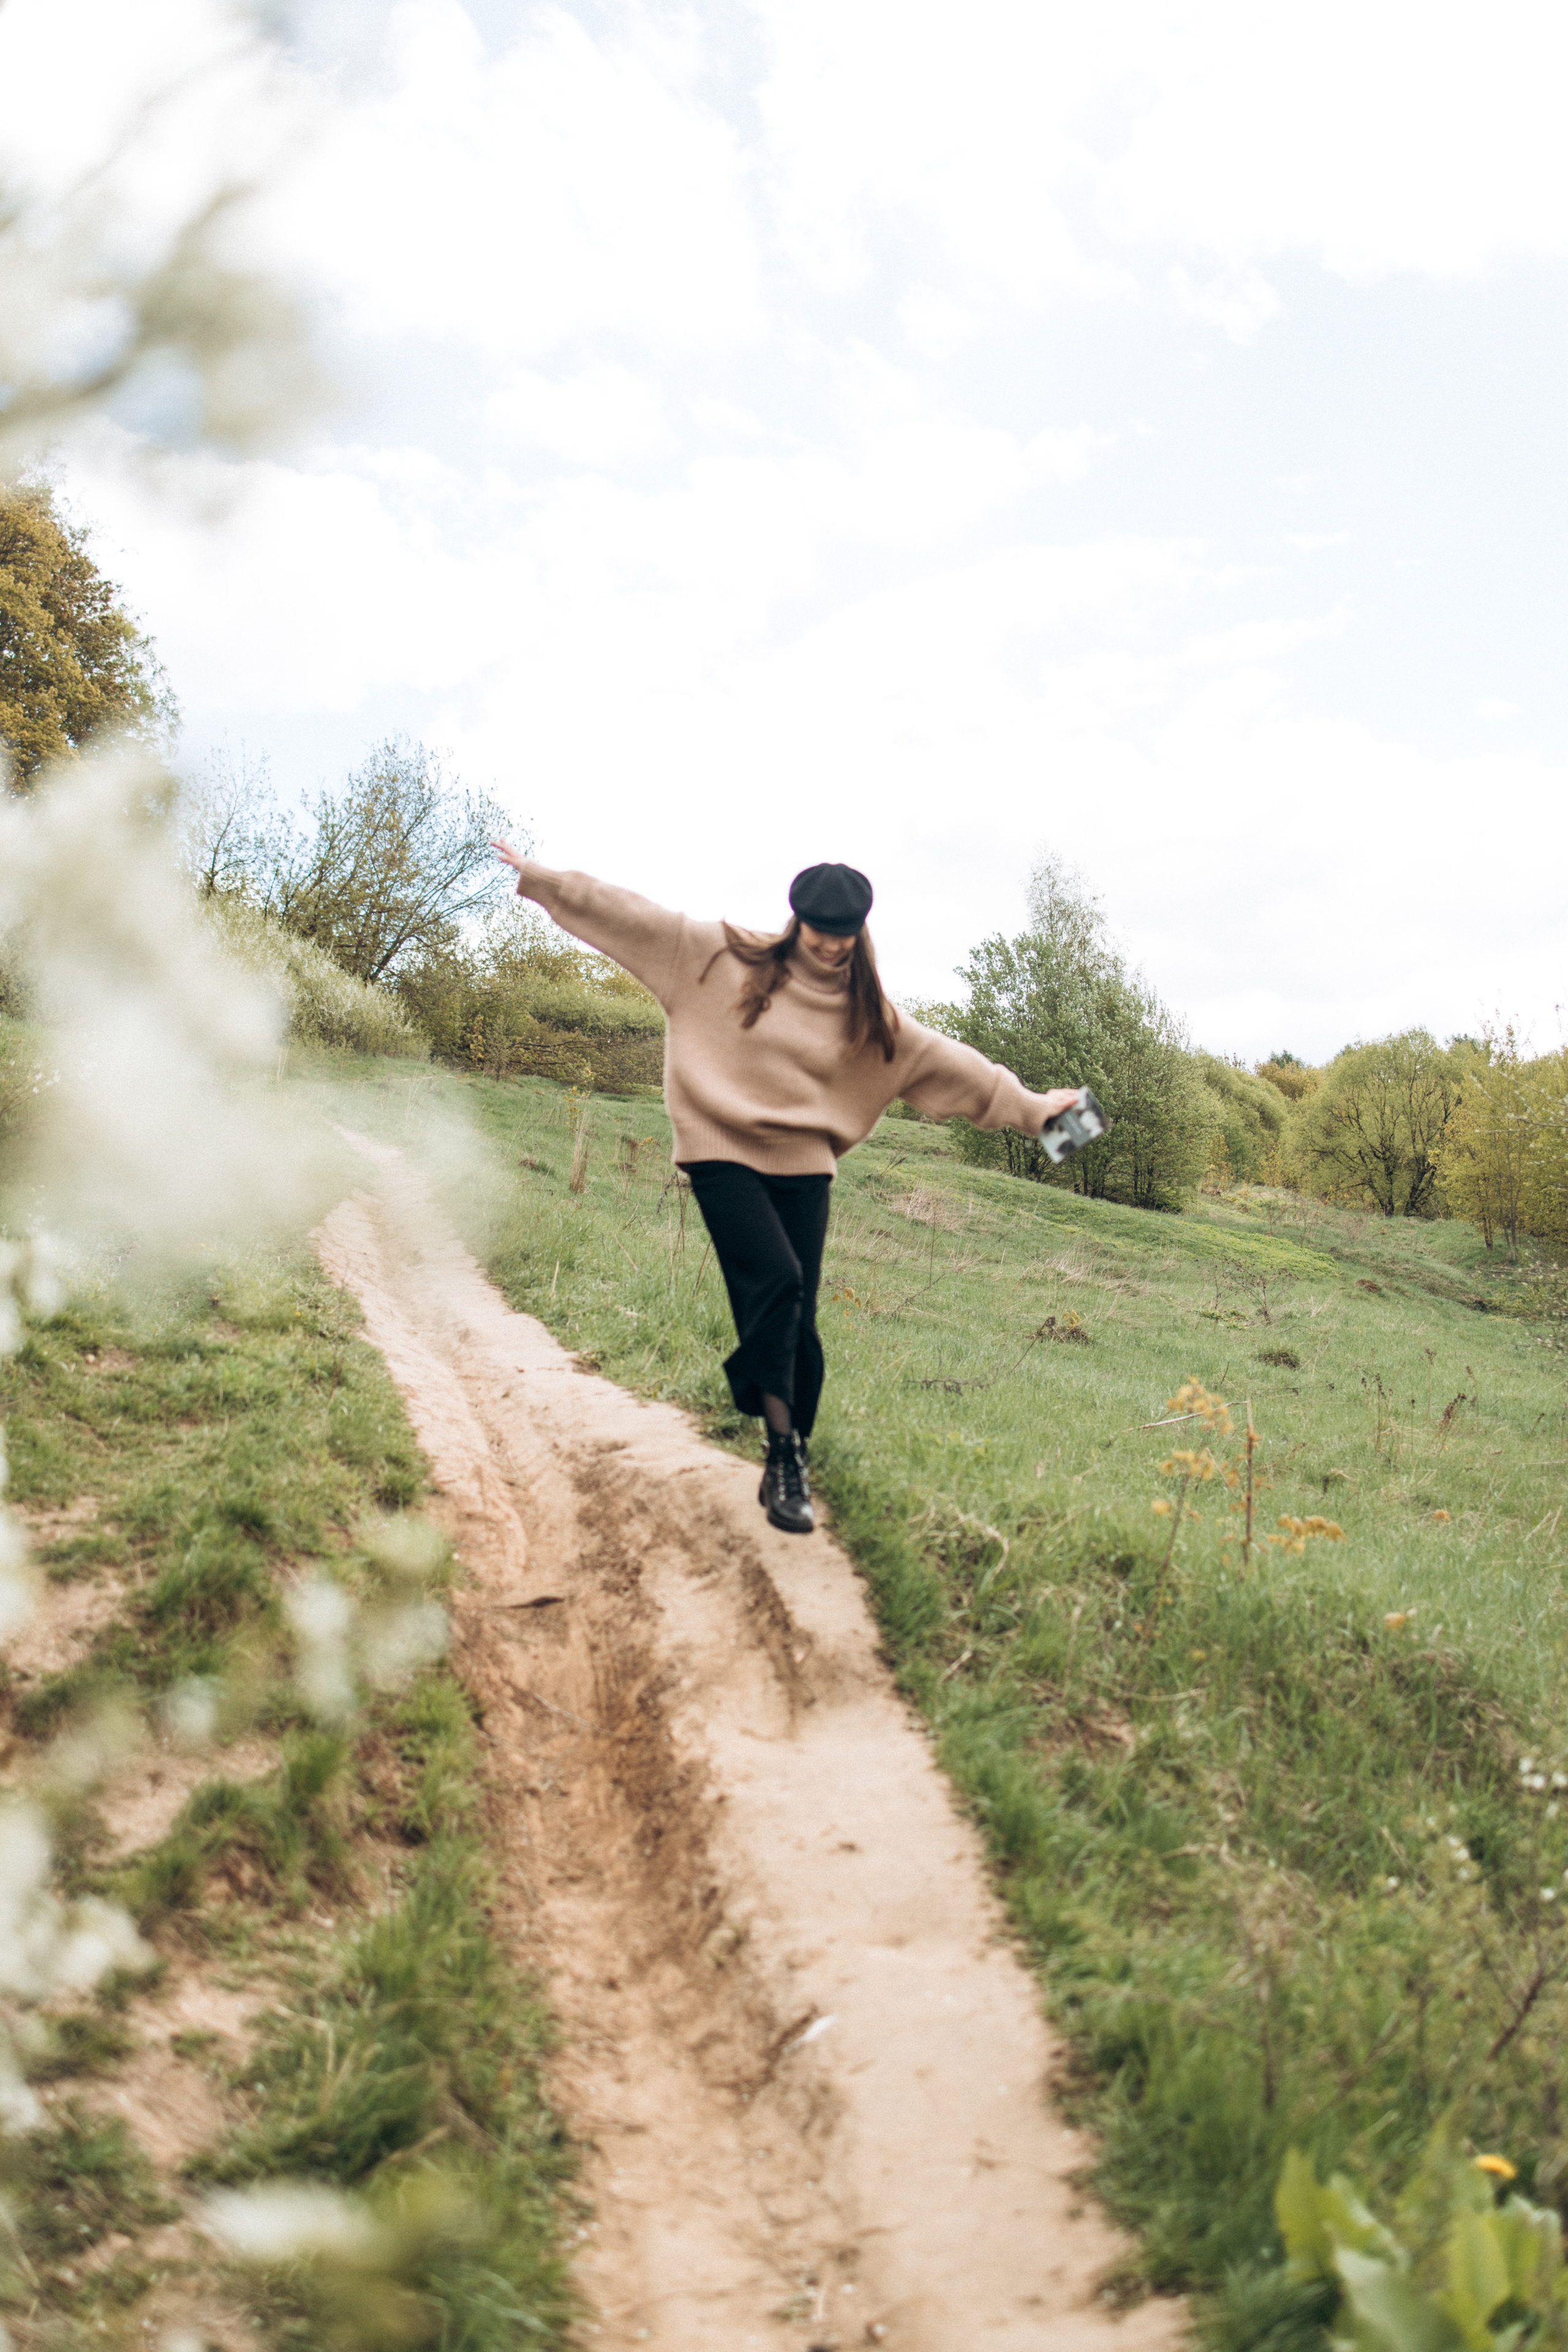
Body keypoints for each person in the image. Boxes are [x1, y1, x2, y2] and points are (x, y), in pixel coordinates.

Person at [491, 846, 1079, 1536]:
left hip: (804, 1164)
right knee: (775, 1280)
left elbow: (949, 1066)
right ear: (796, 921)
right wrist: (541, 879)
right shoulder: (716, 957)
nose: (831, 945)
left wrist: (1035, 1107)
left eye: (844, 933)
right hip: (719, 1152)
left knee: (797, 1315)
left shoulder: (866, 1013)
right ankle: (781, 1446)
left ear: (861, 931)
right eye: (820, 930)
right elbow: (629, 915)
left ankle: (786, 1453)